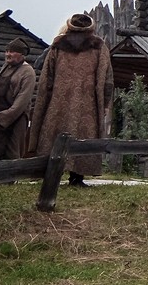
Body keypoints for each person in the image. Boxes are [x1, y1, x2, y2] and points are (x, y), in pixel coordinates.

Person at [29, 13, 115, 187]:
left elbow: (47, 77)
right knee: (84, 135)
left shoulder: (58, 45)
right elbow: (107, 79)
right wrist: (105, 103)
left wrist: (45, 100)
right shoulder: (98, 47)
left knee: (54, 133)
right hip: (87, 104)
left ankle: (52, 174)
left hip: (58, 102)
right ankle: (77, 177)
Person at [0, 38, 38, 163]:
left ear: (22, 54)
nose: (8, 54)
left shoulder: (27, 72)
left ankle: (11, 175)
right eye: (7, 51)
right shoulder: (6, 67)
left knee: (12, 152)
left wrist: (5, 117)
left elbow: (23, 100)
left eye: (12, 52)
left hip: (15, 117)